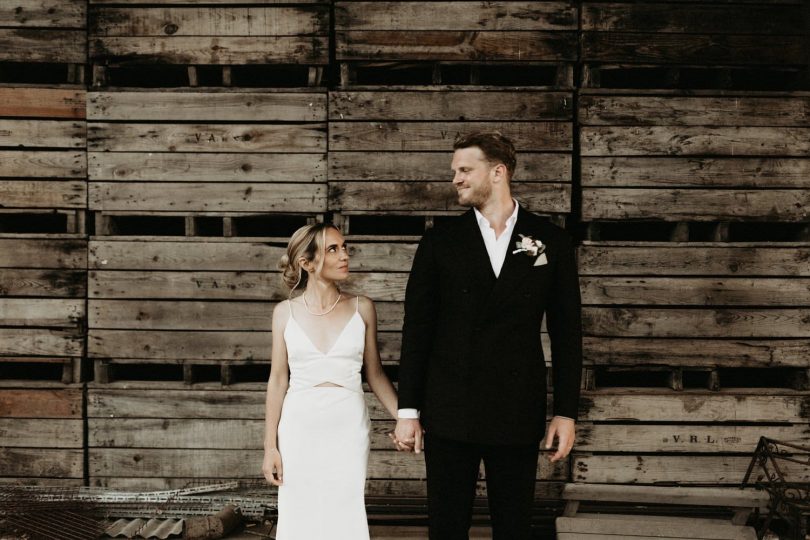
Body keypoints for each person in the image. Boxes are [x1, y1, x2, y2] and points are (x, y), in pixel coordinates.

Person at [392, 131, 583, 540]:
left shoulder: (550, 240)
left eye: (465, 170)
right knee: (447, 527)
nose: (456, 179)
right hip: (449, 408)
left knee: (513, 526)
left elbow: (567, 333)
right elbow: (418, 328)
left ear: (498, 172)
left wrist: (566, 412)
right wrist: (408, 410)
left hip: (515, 408)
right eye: (454, 171)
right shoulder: (439, 241)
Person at [262, 223, 399, 539]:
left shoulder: (362, 307)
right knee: (299, 515)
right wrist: (271, 446)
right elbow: (278, 380)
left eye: (344, 247)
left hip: (347, 426)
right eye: (333, 249)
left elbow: (375, 374)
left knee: (344, 512)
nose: (344, 256)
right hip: (298, 428)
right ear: (307, 263)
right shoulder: (284, 313)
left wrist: (404, 419)